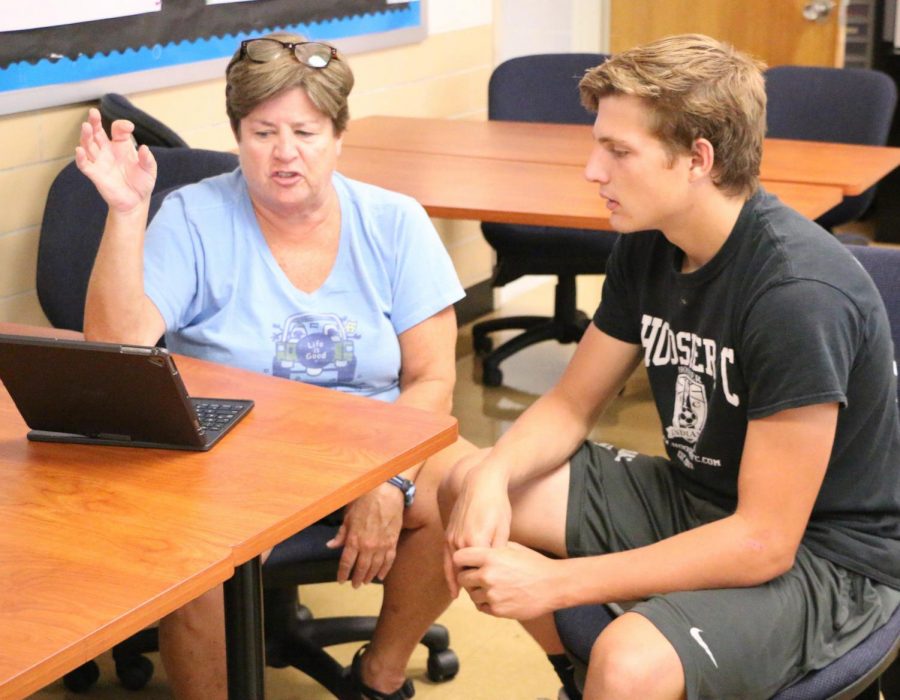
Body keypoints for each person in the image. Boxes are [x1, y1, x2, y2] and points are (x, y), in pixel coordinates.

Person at [440, 34, 900, 700]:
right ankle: (579, 679)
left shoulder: (796, 295)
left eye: (618, 151)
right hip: (702, 503)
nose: (593, 172)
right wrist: (492, 475)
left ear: (698, 160)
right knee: (468, 481)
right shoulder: (650, 242)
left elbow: (765, 541)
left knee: (628, 662)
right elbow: (570, 405)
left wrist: (555, 583)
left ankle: (612, 680)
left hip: (825, 557)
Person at [76, 32, 473, 700]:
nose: (284, 153)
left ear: (338, 135)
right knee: (195, 553)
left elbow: (432, 377)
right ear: (237, 134)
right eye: (262, 132)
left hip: (366, 446)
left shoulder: (395, 223)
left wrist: (390, 481)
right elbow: (117, 345)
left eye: (305, 132)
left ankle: (376, 675)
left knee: (469, 486)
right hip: (233, 454)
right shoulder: (194, 217)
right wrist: (125, 213)